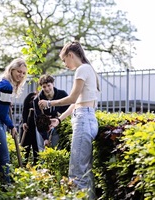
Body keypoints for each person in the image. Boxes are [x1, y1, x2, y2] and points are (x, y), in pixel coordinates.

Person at [38, 41, 100, 199]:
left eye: (64, 60)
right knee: (84, 170)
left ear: (71, 55)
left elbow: (72, 98)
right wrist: (59, 120)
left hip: (83, 120)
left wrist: (49, 103)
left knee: (77, 171)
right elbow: (77, 102)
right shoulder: (89, 70)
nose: (65, 64)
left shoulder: (82, 69)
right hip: (88, 117)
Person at [0, 58, 27, 189]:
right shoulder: (7, 86)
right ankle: (7, 188)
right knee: (4, 158)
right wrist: (12, 126)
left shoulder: (0, 79)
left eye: (24, 73)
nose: (21, 75)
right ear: (12, 70)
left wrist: (4, 101)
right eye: (19, 71)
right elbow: (3, 114)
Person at [33, 74, 69, 151]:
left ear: (53, 84)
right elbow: (38, 121)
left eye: (49, 85)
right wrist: (45, 138)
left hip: (58, 124)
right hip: (43, 127)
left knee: (57, 148)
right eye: (44, 87)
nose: (47, 89)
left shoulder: (62, 94)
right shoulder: (37, 100)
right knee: (43, 148)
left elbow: (68, 110)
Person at [20, 91, 39, 166]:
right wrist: (24, 122)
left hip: (38, 128)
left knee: (37, 149)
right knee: (24, 148)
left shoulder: (45, 98)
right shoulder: (30, 96)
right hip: (27, 126)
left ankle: (37, 169)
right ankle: (22, 166)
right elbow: (24, 110)